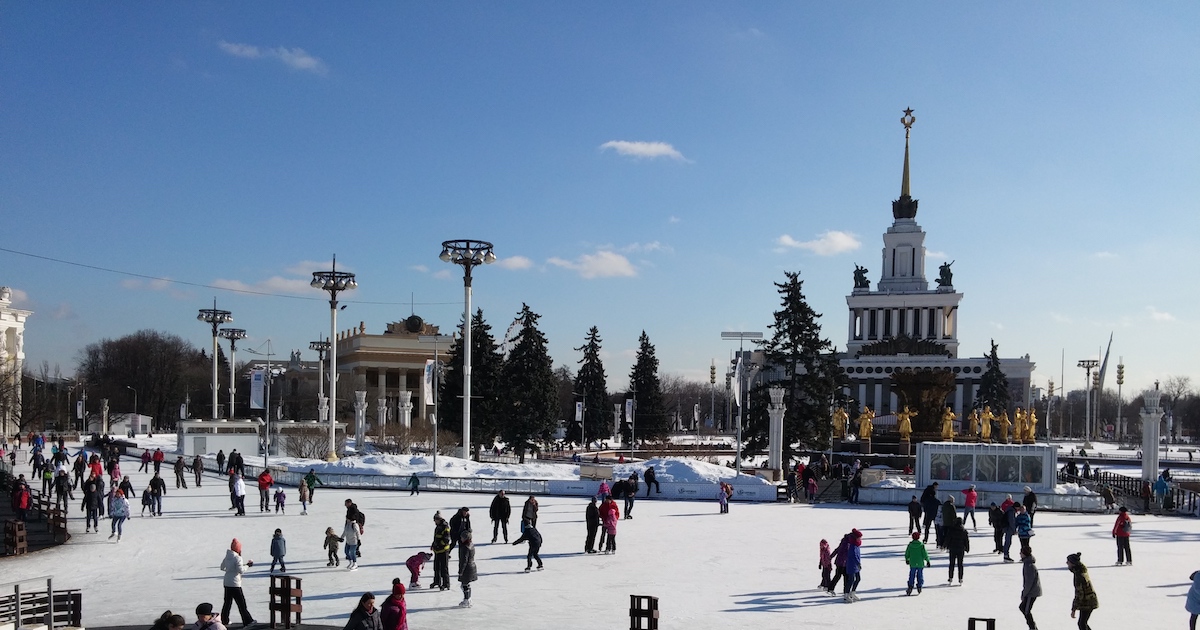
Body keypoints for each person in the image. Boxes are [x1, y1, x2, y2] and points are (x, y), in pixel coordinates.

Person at [219, 539, 256, 627]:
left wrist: (229, 570)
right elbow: (240, 570)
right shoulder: (237, 558)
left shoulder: (227, 556)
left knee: (227, 603)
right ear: (238, 549)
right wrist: (247, 565)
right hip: (235, 583)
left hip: (227, 582)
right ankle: (247, 621)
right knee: (241, 603)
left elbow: (221, 567)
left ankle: (224, 620)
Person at [1067, 552, 1099, 630]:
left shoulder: (1079, 575)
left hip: (1087, 601)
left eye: (1068, 562)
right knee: (1082, 623)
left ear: (1073, 563)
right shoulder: (1081, 571)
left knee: (1082, 623)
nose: (1067, 563)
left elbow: (1079, 594)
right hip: (1088, 600)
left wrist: (1073, 609)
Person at [1019, 547, 1041, 630]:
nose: (1020, 554)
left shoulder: (1029, 565)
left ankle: (1032, 628)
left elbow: (1028, 582)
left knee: (1026, 610)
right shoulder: (1027, 563)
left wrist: (1024, 594)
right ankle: (1032, 627)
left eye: (1021, 552)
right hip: (1030, 591)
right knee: (1023, 608)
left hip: (1032, 592)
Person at [840, 529, 864, 603]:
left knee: (858, 579)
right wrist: (858, 563)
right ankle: (846, 594)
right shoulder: (852, 546)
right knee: (851, 580)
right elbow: (853, 556)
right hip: (851, 565)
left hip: (856, 565)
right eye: (859, 537)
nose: (861, 539)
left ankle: (852, 592)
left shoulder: (857, 544)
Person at [904, 531, 931, 596]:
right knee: (920, 574)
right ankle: (919, 585)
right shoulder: (921, 545)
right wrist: (927, 560)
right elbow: (925, 554)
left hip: (912, 562)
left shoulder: (910, 545)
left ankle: (910, 586)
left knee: (912, 575)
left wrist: (907, 559)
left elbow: (907, 553)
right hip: (920, 563)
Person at [944, 519, 970, 585]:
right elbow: (966, 540)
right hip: (960, 549)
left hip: (952, 548)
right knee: (960, 564)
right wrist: (967, 548)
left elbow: (948, 538)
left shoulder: (951, 530)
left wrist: (945, 545)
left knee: (951, 564)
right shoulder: (963, 531)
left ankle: (950, 577)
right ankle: (960, 578)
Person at [430, 512, 452, 590]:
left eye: (435, 520)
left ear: (439, 519)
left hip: (443, 551)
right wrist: (433, 544)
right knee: (436, 567)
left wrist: (439, 545)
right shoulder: (438, 526)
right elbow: (436, 537)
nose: (434, 521)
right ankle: (437, 581)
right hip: (437, 550)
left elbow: (446, 539)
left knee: (444, 568)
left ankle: (446, 584)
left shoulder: (445, 527)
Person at [457, 530, 477, 607]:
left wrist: (461, 571)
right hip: (472, 566)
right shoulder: (471, 545)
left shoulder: (465, 547)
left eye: (462, 537)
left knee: (464, 584)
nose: (461, 539)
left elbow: (464, 560)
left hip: (467, 568)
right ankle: (468, 599)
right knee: (466, 584)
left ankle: (467, 600)